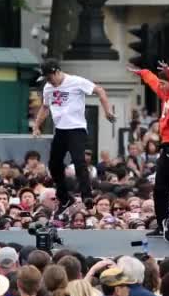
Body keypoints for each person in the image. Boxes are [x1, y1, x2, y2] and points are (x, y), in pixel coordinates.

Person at [33, 58, 116, 216]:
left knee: (79, 162)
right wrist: (37, 126)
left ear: (56, 71)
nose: (50, 82)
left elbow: (100, 90)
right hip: (60, 131)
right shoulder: (48, 88)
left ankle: (87, 196)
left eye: (50, 78)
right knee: (54, 165)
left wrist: (107, 111)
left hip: (76, 129)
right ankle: (64, 198)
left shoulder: (76, 81)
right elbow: (45, 107)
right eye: (47, 80)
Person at [127, 61, 169, 240]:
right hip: (167, 146)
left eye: (164, 83)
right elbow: (153, 82)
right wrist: (143, 71)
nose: (161, 86)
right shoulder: (165, 94)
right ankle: (161, 224)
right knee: (160, 189)